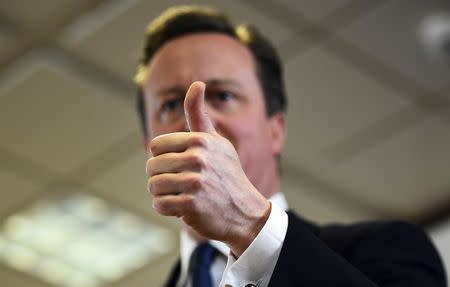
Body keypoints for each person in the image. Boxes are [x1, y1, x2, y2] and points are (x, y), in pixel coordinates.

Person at [134, 5, 446, 287]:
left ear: (276, 130)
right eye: (171, 105)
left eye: (223, 95)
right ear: (149, 147)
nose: (196, 121)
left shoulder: (385, 247)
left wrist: (249, 226)